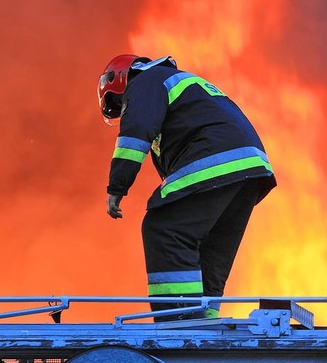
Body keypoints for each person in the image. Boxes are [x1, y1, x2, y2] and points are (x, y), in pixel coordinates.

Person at [97, 54, 276, 321]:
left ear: (121, 79)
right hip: (248, 170)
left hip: (217, 159)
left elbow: (136, 132)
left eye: (119, 103)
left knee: (164, 228)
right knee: (209, 250)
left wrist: (117, 187)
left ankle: (176, 320)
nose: (123, 110)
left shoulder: (147, 81)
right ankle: (204, 321)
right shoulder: (183, 86)